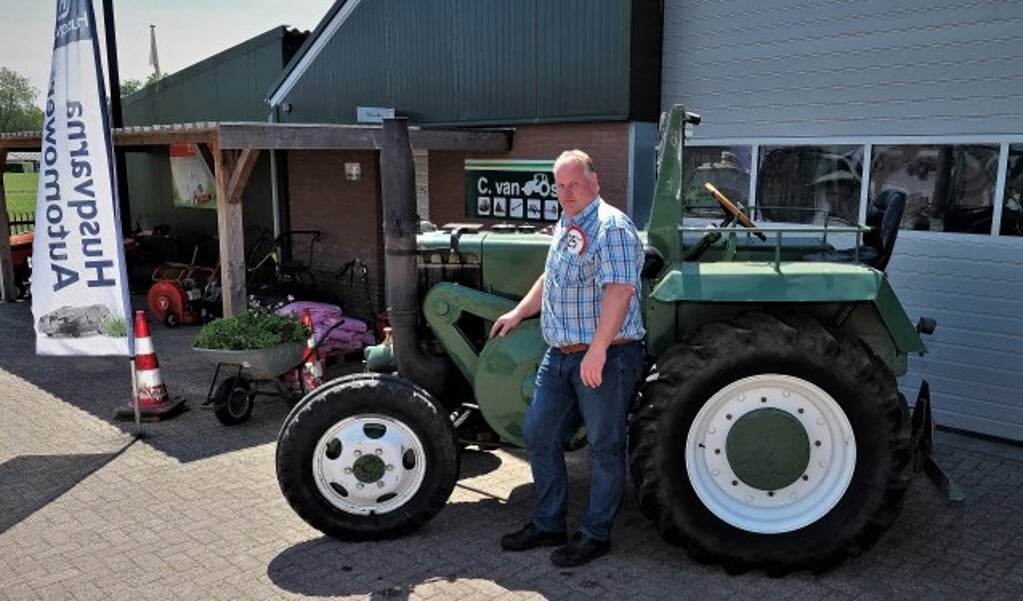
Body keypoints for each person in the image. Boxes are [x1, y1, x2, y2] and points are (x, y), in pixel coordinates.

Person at [490, 149, 646, 567]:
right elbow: (552, 276)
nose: (566, 192)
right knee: (539, 434)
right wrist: (520, 311)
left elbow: (620, 290)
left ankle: (596, 533)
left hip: (606, 357)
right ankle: (548, 523)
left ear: (594, 183)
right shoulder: (567, 222)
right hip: (559, 355)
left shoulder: (611, 227)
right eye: (560, 186)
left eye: (574, 184)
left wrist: (596, 351)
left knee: (604, 448)